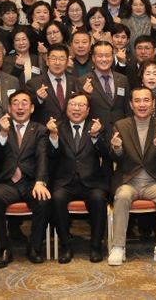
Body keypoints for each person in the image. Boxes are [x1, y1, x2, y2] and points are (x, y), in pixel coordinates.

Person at [107, 87, 156, 266]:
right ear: (131, 104)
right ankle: (118, 246)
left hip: (153, 182)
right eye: (137, 101)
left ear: (153, 104)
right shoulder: (121, 126)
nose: (142, 104)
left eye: (146, 100)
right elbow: (114, 158)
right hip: (129, 181)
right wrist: (117, 148)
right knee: (122, 196)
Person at [0, 91, 52, 268]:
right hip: (7, 182)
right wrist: (3, 133)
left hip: (30, 182)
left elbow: (42, 157)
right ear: (9, 108)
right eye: (15, 103)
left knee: (44, 200)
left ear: (32, 108)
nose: (20, 107)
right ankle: (4, 249)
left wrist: (40, 181)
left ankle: (34, 247)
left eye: (25, 103)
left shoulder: (39, 130)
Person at [49, 93, 109, 263]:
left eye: (81, 105)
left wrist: (96, 136)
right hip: (65, 182)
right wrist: (53, 137)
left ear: (88, 110)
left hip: (91, 182)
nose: (76, 109)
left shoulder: (96, 127)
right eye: (73, 105)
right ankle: (66, 246)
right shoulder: (57, 127)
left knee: (98, 199)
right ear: (66, 108)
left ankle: (96, 246)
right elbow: (51, 156)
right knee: (57, 199)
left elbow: (106, 153)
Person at [81, 41, 131, 138]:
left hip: (120, 132)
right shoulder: (83, 81)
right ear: (93, 58)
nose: (104, 59)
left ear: (112, 57)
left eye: (107, 55)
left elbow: (128, 108)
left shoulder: (123, 79)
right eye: (100, 56)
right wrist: (85, 94)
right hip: (95, 134)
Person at [26, 44, 80, 125]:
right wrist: (38, 98)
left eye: (62, 59)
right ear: (47, 61)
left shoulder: (76, 82)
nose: (57, 63)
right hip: (45, 130)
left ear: (67, 62)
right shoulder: (34, 83)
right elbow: (26, 109)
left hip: (70, 130)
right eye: (53, 58)